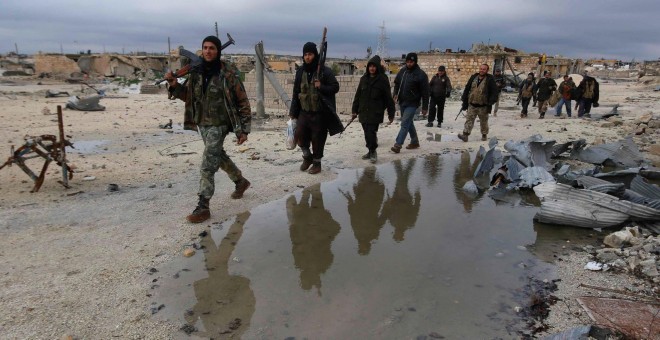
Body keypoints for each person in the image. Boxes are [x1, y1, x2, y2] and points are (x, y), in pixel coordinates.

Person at [166, 36, 251, 223]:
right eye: (205, 48)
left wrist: (244, 129)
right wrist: (174, 85)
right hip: (201, 123)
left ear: (218, 51)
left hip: (220, 124)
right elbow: (187, 96)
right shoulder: (196, 71)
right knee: (217, 155)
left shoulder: (228, 73)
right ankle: (240, 181)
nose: (208, 51)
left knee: (207, 164)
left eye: (212, 48)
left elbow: (242, 100)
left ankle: (203, 205)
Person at [289, 41, 342, 174]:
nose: (307, 57)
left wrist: (321, 86)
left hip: (319, 113)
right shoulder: (300, 72)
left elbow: (335, 87)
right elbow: (296, 92)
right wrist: (293, 112)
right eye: (305, 54)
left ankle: (317, 164)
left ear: (315, 55)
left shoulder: (324, 71)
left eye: (310, 54)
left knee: (318, 139)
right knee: (300, 135)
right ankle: (307, 157)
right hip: (304, 112)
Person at [351, 55, 395, 163]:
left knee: (371, 132)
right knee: (367, 133)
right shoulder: (363, 79)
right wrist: (354, 110)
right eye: (370, 66)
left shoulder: (383, 79)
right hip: (363, 111)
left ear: (377, 67)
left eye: (374, 66)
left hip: (375, 112)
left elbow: (388, 98)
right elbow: (358, 95)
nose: (372, 68)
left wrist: (391, 114)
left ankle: (373, 151)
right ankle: (370, 151)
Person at [391, 52, 429, 153]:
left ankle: (398, 144)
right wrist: (395, 93)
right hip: (402, 101)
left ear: (415, 62)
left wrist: (425, 107)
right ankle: (415, 141)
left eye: (411, 62)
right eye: (407, 61)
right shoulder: (403, 71)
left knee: (404, 123)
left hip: (413, 103)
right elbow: (397, 83)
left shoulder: (421, 75)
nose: (409, 63)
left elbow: (426, 92)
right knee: (408, 122)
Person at [457, 64, 498, 142]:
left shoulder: (489, 79)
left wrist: (490, 102)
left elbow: (494, 92)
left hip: (483, 106)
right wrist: (464, 100)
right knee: (469, 120)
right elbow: (467, 88)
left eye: (484, 69)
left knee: (483, 122)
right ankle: (465, 135)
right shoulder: (473, 77)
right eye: (481, 69)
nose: (482, 70)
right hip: (472, 104)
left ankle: (484, 134)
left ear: (487, 70)